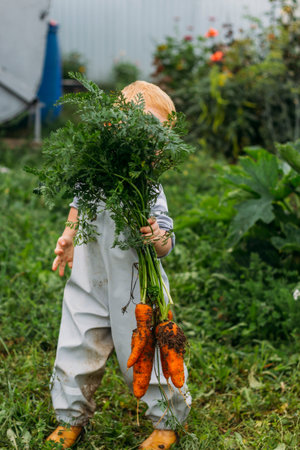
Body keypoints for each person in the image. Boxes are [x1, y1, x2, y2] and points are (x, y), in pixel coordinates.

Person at [46, 81, 191, 449]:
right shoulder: (94, 175)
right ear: (113, 128)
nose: (152, 148)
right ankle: (70, 418)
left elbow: (166, 243)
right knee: (76, 343)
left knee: (150, 351)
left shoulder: (150, 188)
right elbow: (78, 207)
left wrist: (157, 237)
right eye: (142, 136)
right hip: (88, 281)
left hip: (135, 290)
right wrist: (67, 236)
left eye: (158, 141)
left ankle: (166, 421)